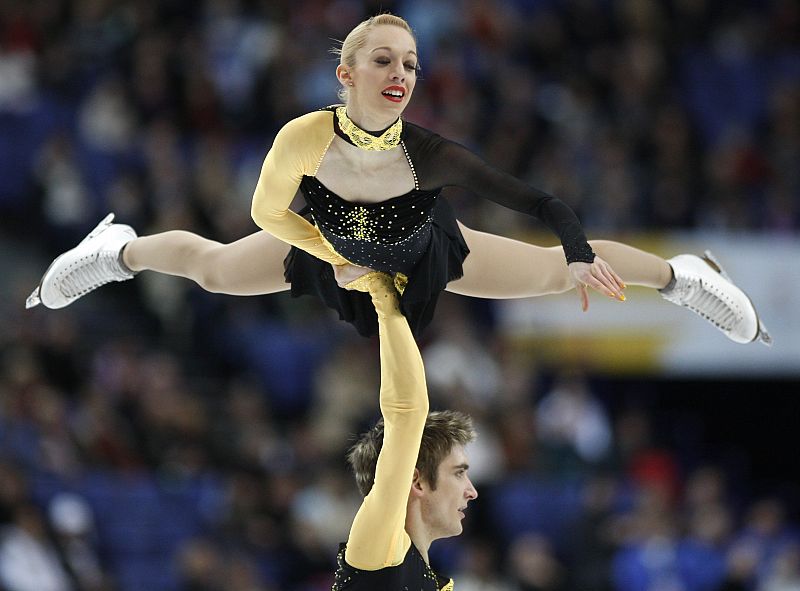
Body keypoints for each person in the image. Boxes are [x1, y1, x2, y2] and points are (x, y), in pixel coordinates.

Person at [25, 14, 770, 345]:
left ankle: (686, 276)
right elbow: (265, 212)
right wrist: (332, 256)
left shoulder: (430, 154)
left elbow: (540, 201)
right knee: (215, 270)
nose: (401, 73)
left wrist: (576, 250)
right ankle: (114, 250)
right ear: (346, 74)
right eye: (383, 59)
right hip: (322, 242)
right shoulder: (304, 138)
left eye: (410, 63)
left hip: (422, 246)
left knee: (552, 274)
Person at [333, 269, 477, 590]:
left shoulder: (426, 577)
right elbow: (406, 414)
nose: (472, 491)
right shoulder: (378, 554)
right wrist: (384, 294)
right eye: (458, 473)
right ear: (416, 481)